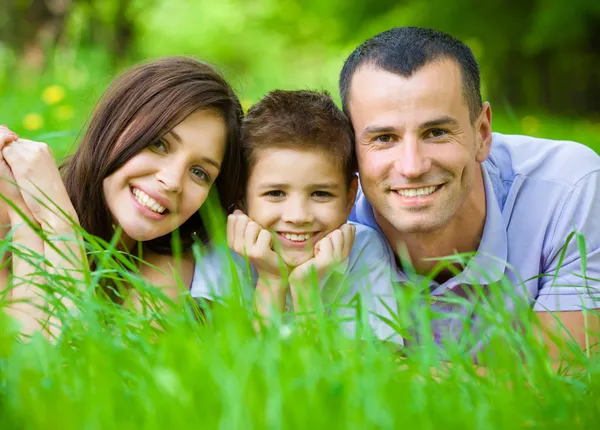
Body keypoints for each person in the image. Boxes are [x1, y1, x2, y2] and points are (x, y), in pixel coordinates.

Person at [339, 26, 600, 356]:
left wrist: (391, 373)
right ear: (349, 149)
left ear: (482, 133)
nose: (412, 166)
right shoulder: (311, 216)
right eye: (383, 139)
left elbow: (562, 381)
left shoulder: (567, 191)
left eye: (436, 132)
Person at [0, 56, 243, 336]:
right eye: (159, 143)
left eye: (199, 172)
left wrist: (58, 219)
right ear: (113, 125)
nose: (173, 181)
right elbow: (22, 359)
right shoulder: (6, 206)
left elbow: (71, 363)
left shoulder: (168, 267)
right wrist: (24, 214)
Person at [190, 90, 401, 344]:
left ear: (349, 197)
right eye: (276, 193)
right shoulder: (221, 246)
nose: (298, 216)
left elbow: (372, 372)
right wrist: (271, 281)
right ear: (242, 196)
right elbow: (235, 368)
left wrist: (306, 293)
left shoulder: (363, 249)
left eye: (321, 194)